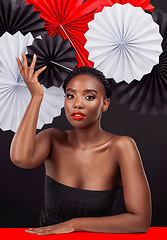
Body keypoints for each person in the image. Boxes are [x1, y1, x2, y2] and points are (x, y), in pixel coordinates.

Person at [10, 53, 151, 235]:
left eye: (89, 97)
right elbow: (20, 158)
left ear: (105, 104)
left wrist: (75, 224)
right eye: (70, 96)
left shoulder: (121, 146)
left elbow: (140, 222)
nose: (77, 104)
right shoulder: (53, 138)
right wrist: (36, 96)